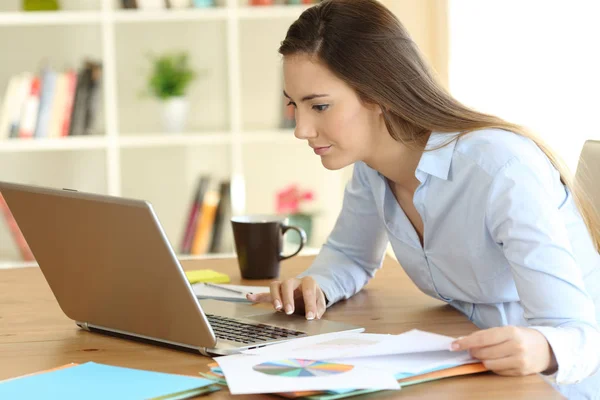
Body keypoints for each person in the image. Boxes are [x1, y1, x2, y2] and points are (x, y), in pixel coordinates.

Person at [245, 0, 600, 398]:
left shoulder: (501, 168)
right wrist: (319, 285)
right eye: (295, 105)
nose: (301, 129)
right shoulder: (371, 166)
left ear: (379, 93)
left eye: (320, 105)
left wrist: (542, 348)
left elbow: (580, 335)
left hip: (556, 385)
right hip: (469, 367)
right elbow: (351, 254)